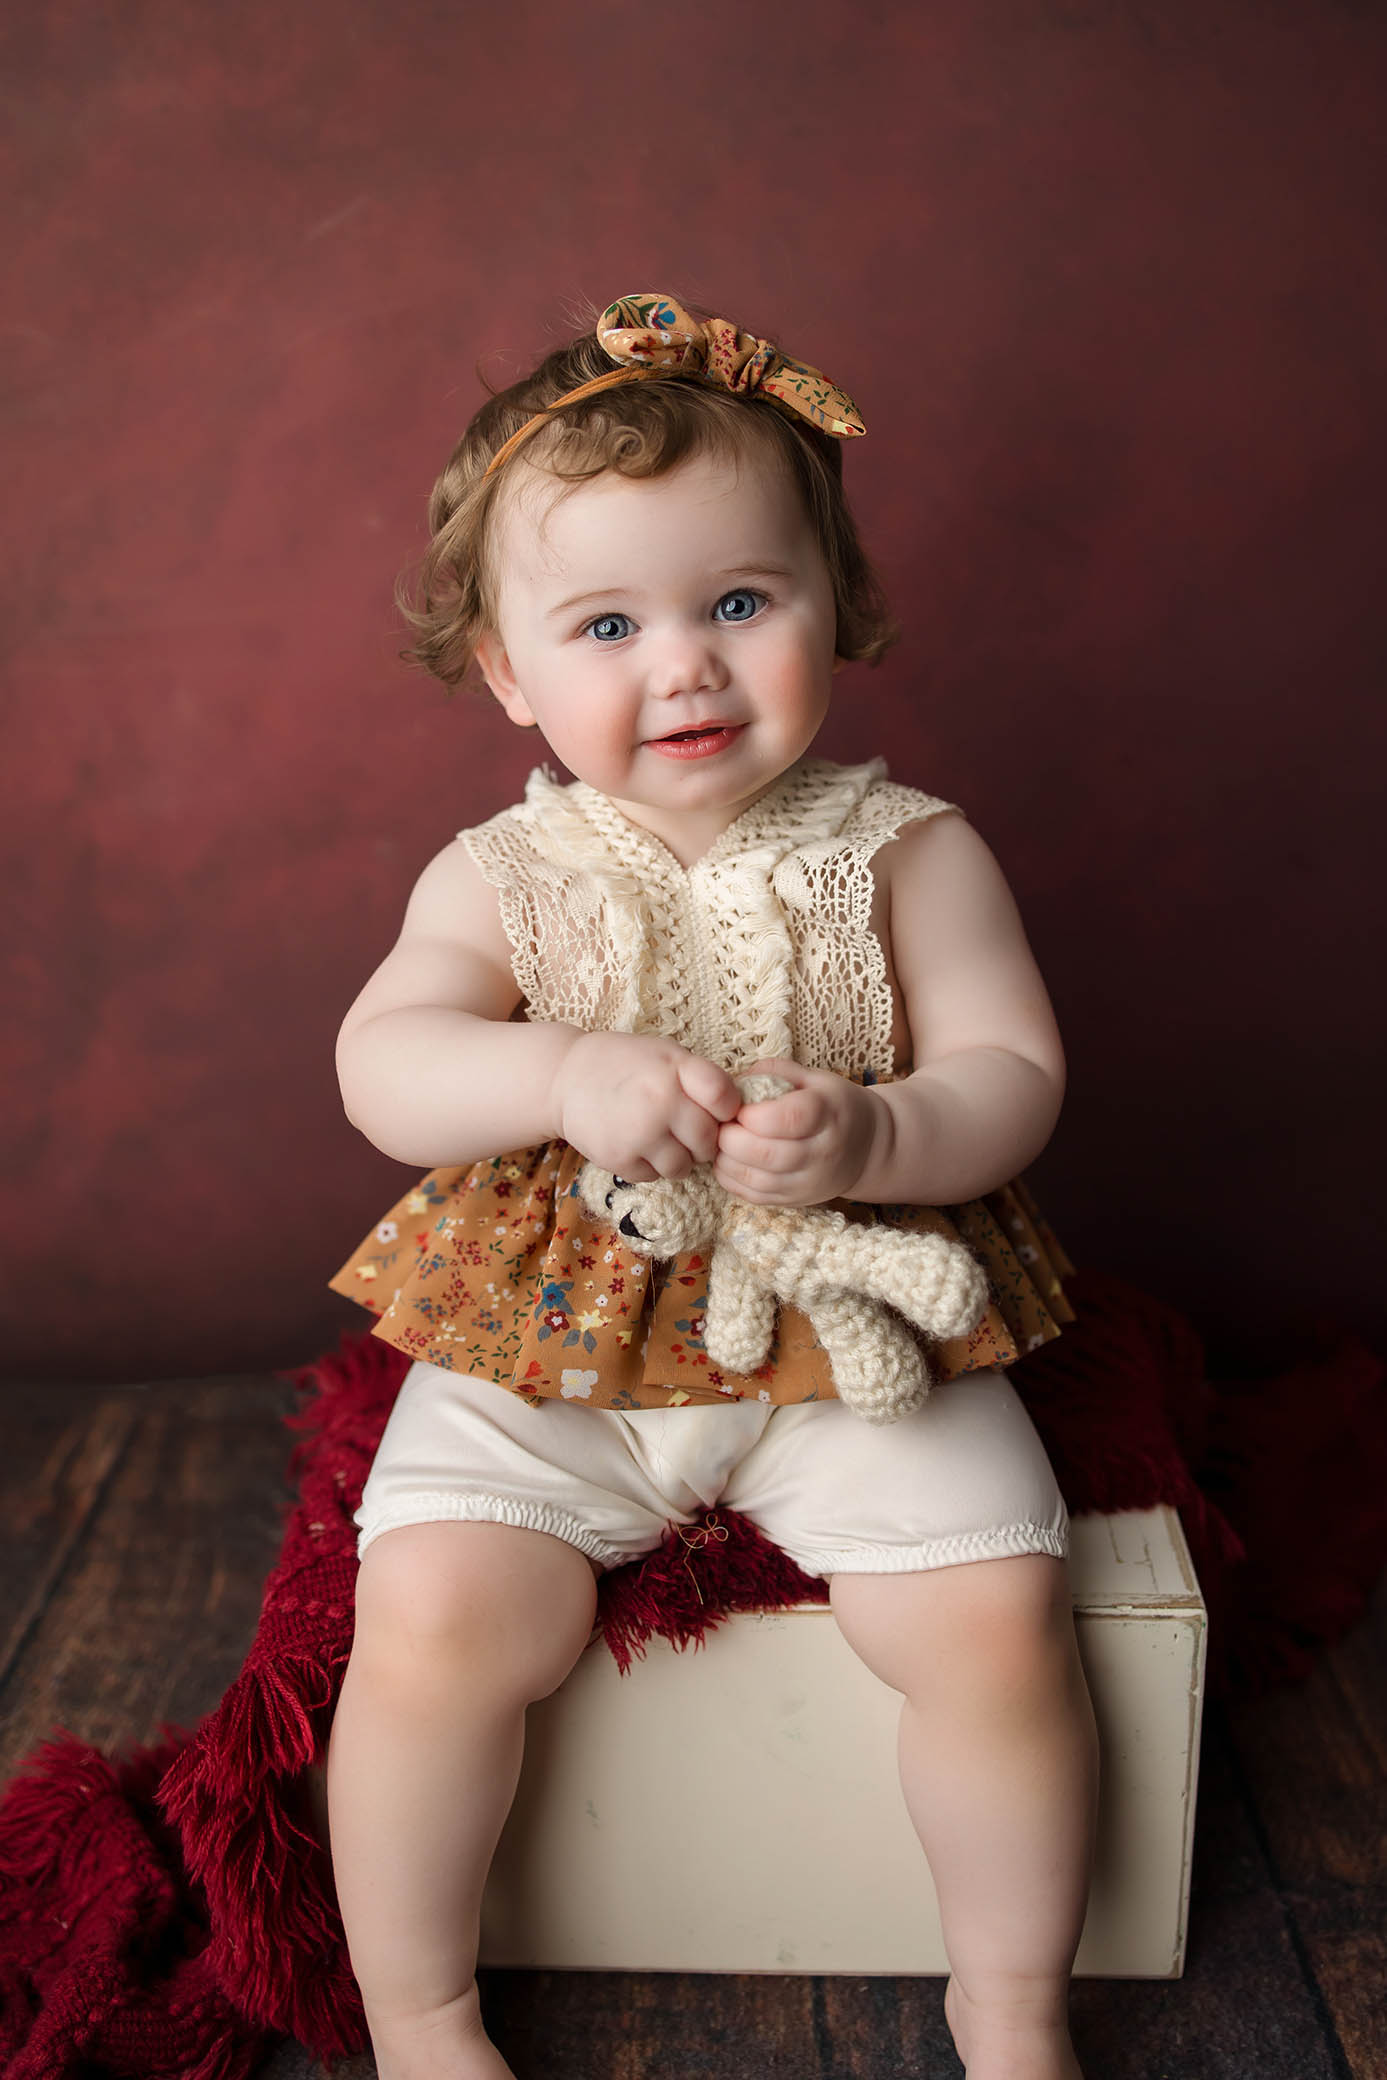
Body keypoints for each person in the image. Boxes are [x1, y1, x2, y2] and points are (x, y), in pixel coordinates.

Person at [327, 291, 1099, 2080]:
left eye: (740, 602)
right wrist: (557, 1071)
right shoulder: (502, 872)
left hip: (854, 1319)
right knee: (437, 1613)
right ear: (509, 673)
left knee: (995, 1610)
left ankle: (1012, 2013)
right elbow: (384, 1066)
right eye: (607, 624)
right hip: (555, 1332)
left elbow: (1015, 1075)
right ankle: (421, 2018)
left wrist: (885, 1134)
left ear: (839, 606)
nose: (683, 665)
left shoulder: (913, 850)